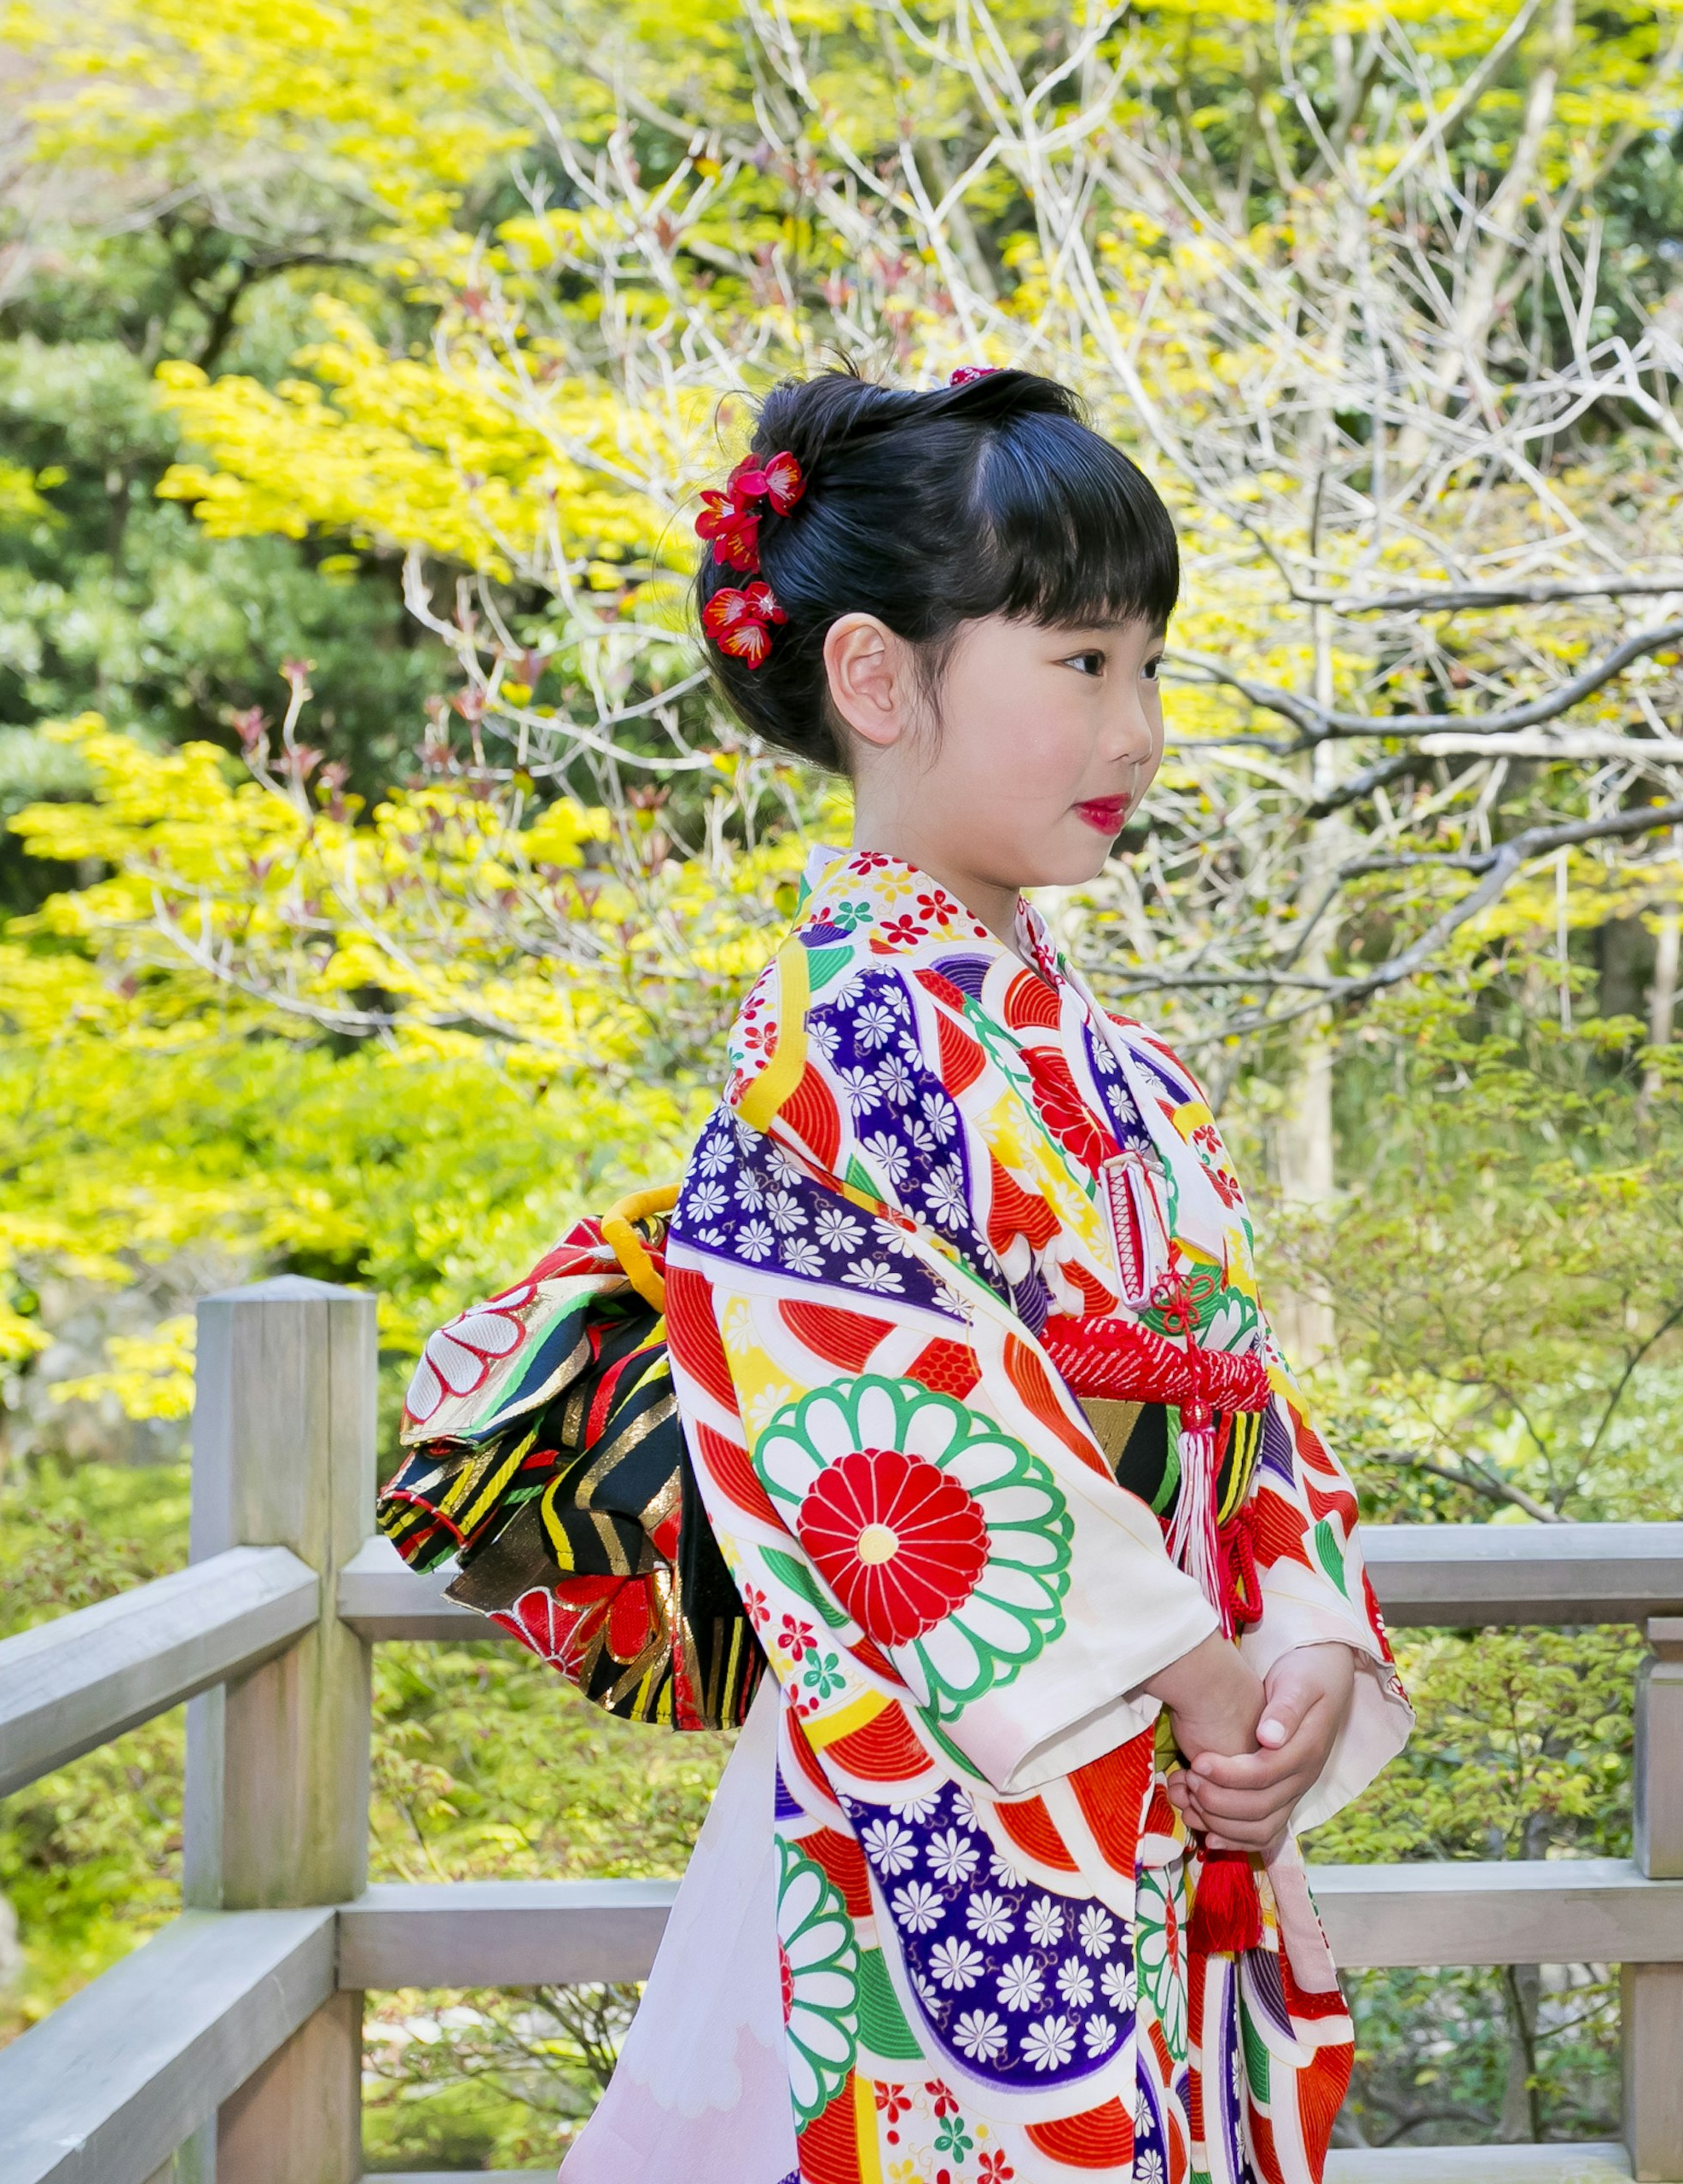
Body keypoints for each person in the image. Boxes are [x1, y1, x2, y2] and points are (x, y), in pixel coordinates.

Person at [560, 368, 1409, 2184]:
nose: (1144, 726)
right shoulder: (842, 1023)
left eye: (1152, 666)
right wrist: (1194, 1668)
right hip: (944, 1783)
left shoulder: (1124, 1065)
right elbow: (879, 1426)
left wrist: (1310, 1642)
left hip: (1164, 1765)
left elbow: (1239, 1398)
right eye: (1084, 663)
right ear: (878, 678)